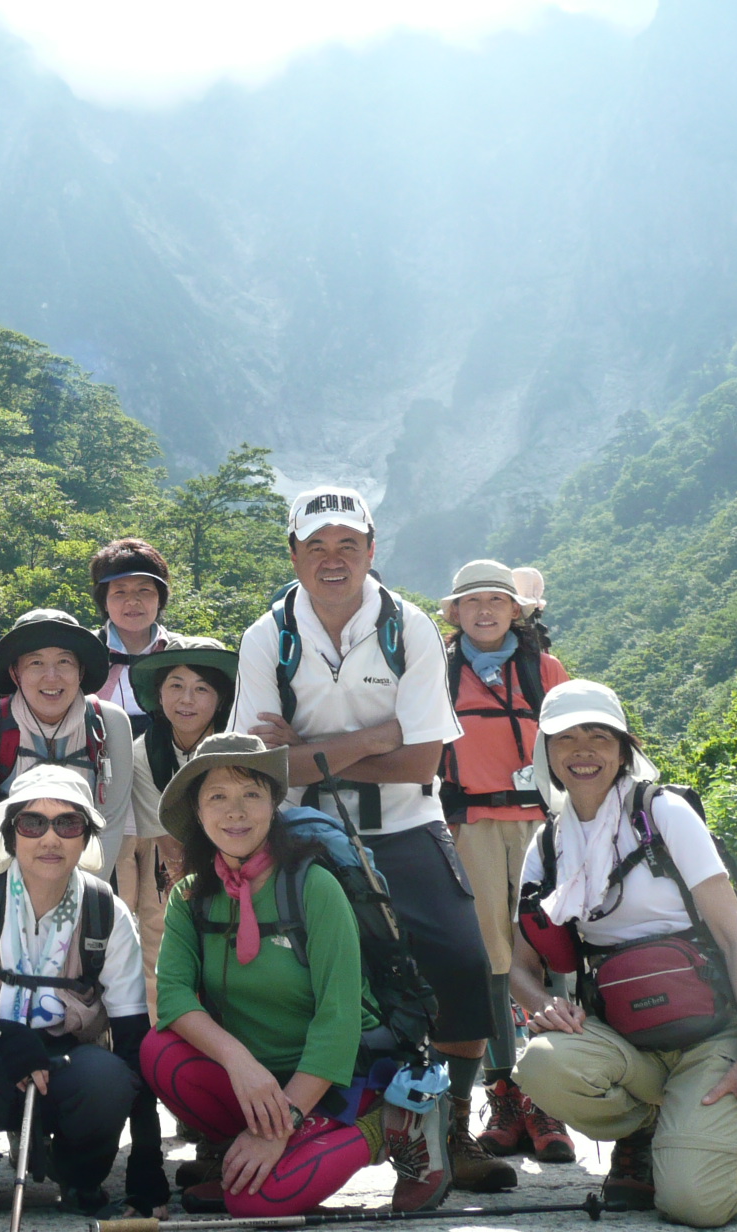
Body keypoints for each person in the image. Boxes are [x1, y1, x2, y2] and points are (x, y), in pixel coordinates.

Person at [229, 487, 504, 1196]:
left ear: (371, 550)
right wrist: (374, 737)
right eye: (317, 546)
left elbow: (421, 761)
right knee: (314, 978)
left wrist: (312, 749)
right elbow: (265, 766)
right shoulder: (267, 636)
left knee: (461, 965)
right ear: (294, 553)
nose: (333, 560)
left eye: (348, 545)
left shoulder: (407, 627)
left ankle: (453, 1125)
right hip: (303, 830)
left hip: (407, 823)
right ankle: (323, 1121)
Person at [509, 680, 737, 1226]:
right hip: (625, 1038)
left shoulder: (663, 813)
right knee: (541, 1064)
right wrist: (542, 1005)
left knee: (692, 1205)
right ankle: (650, 1129)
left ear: (623, 749)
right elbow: (521, 968)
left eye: (598, 736)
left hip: (710, 1033)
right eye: (566, 738)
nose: (583, 751)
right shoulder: (548, 845)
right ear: (547, 752)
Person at [142, 733, 448, 1215]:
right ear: (198, 814)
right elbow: (175, 997)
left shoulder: (314, 886)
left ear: (273, 805)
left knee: (254, 1206)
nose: (235, 811)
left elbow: (339, 1019)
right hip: (256, 1078)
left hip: (338, 1077)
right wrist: (239, 1063)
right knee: (160, 1053)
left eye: (251, 794)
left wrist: (283, 1119)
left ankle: (389, 1125)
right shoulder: (189, 896)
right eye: (217, 797)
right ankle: (242, 1152)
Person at [0, 766, 165, 1218]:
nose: (50, 839)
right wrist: (7, 1037)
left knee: (110, 1081)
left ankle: (79, 1175)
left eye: (68, 824)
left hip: (70, 1064)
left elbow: (133, 1039)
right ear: (10, 834)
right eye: (32, 823)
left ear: (86, 837)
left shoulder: (107, 912)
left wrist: (147, 1162)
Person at [436, 559, 574, 1166]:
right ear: (455, 613)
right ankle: (506, 1096)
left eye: (496, 600)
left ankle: (549, 1094)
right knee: (492, 960)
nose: (485, 610)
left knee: (554, 948)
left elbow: (576, 747)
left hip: (544, 824)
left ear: (515, 610)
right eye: (472, 602)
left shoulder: (546, 671)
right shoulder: (438, 672)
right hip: (472, 826)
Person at [0, 609, 140, 875]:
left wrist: (87, 893)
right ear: (15, 673)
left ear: (81, 671)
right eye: (35, 663)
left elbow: (110, 821)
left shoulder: (108, 723)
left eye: (64, 661)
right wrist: (10, 892)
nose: (51, 676)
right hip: (6, 877)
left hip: (87, 873)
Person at [124, 637, 238, 1017]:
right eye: (176, 685)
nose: (186, 700)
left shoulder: (239, 747)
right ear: (159, 694)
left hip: (238, 862)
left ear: (221, 700)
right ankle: (165, 1028)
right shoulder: (142, 752)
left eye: (201, 689)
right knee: (162, 944)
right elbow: (162, 834)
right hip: (171, 863)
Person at [89, 538, 177, 732]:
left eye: (144, 590)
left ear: (160, 598)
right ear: (104, 601)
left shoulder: (181, 652)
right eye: (120, 592)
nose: (133, 601)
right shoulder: (84, 652)